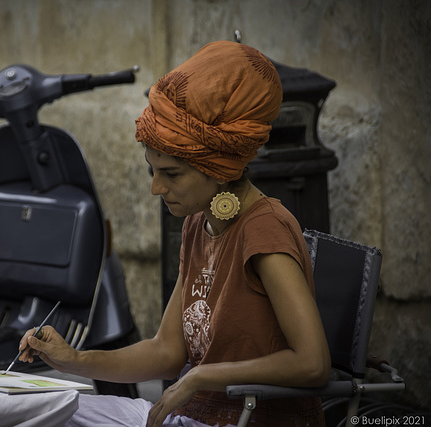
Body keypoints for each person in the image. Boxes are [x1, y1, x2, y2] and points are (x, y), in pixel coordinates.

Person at [18, 40, 330, 427]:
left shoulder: (265, 230)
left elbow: (313, 363)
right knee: (40, 413)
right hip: (186, 417)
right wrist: (74, 360)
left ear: (217, 168)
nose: (156, 188)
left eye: (171, 174)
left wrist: (201, 376)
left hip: (243, 420)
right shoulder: (198, 225)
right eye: (153, 170)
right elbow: (167, 351)